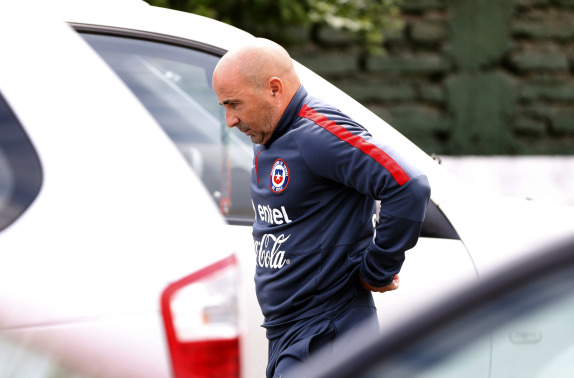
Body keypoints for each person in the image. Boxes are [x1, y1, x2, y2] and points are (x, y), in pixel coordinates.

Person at [212, 38, 431, 377]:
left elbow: (408, 185)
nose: (229, 119)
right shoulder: (271, 133)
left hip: (326, 333)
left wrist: (377, 268)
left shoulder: (317, 134)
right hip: (290, 333)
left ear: (274, 89)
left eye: (234, 103)